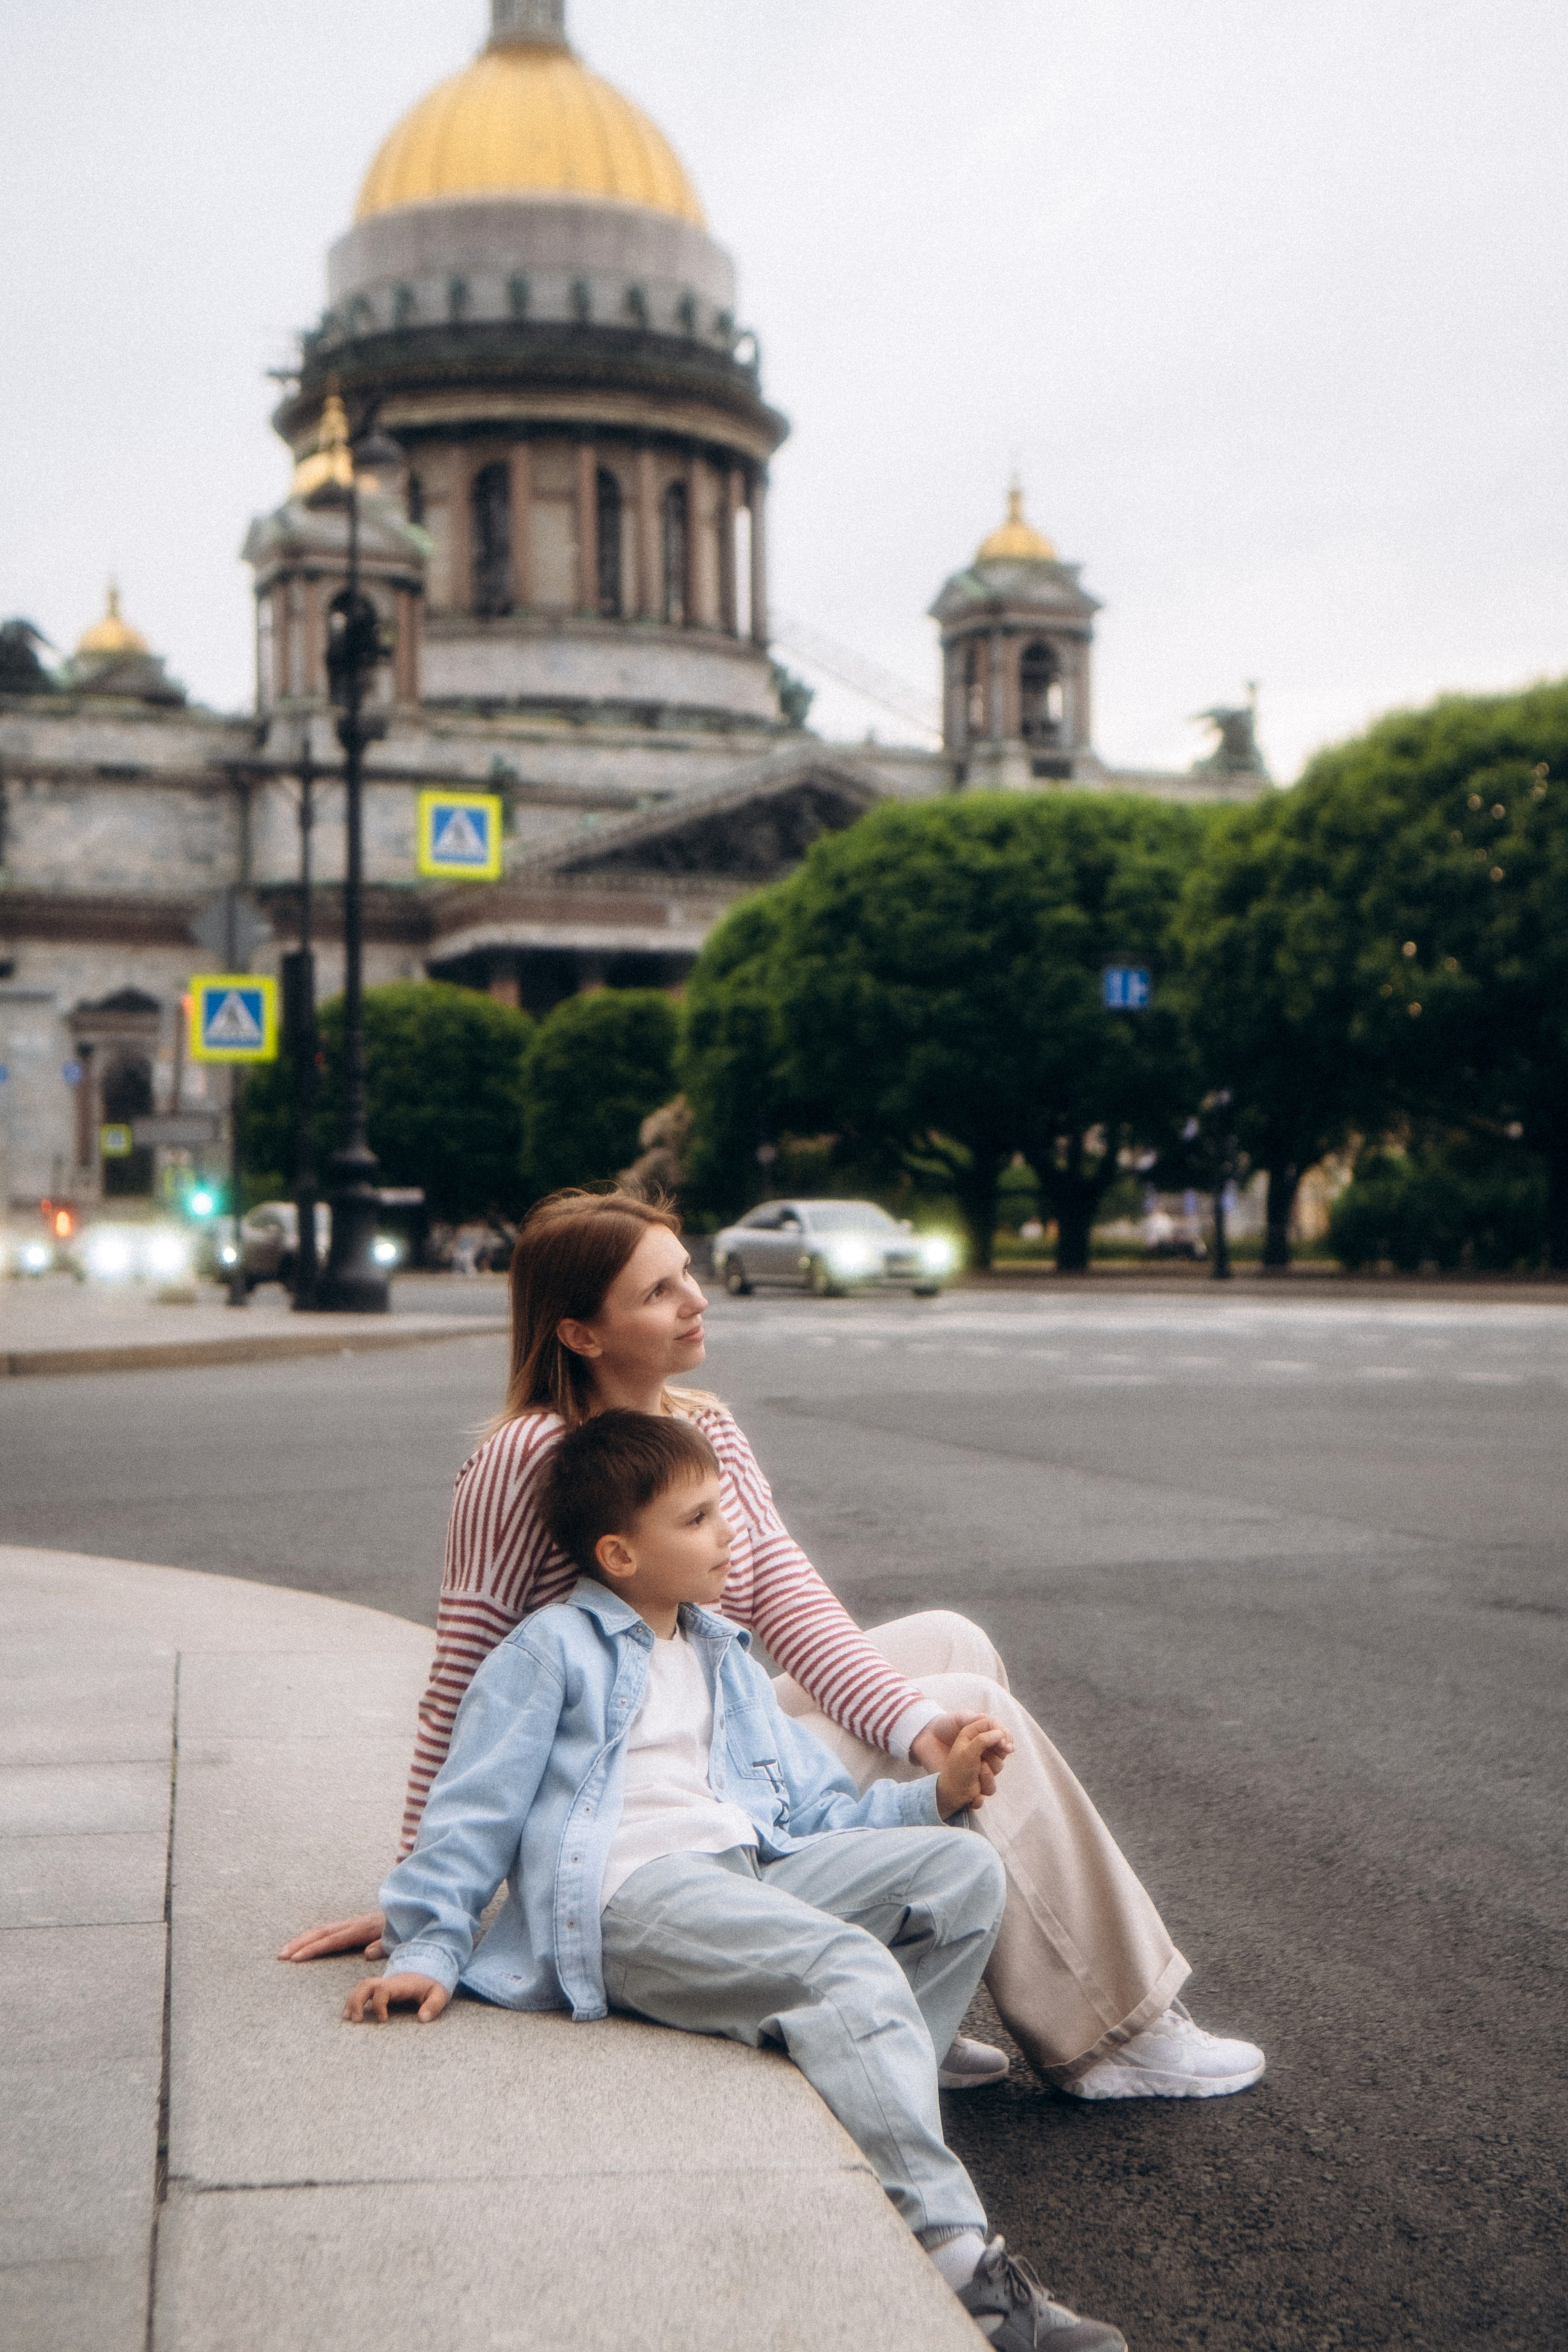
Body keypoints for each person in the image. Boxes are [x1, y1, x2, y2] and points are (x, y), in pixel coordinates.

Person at [284, 1188, 1264, 2105]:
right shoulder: (526, 1458)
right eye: (658, 1291)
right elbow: (463, 1678)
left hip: (719, 1730)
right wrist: (418, 1899)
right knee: (981, 1705)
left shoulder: (707, 1428)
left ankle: (909, 1991)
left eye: (689, 1273)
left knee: (954, 1653)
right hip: (628, 1796)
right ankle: (1114, 2034)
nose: (695, 1301)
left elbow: (797, 1609)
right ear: (580, 1332)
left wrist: (920, 1730)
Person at [344, 1410, 1129, 2351]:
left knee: (962, 1871)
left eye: (723, 1511)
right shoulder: (550, 1651)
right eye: (699, 1519)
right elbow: (470, 1813)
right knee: (849, 1970)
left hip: (751, 1870)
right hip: (633, 1900)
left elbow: (821, 1816)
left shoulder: (724, 1656)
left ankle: (874, 2107)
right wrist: (429, 1943)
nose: (729, 1535)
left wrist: (936, 1796)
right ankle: (962, 2267)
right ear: (618, 1553)